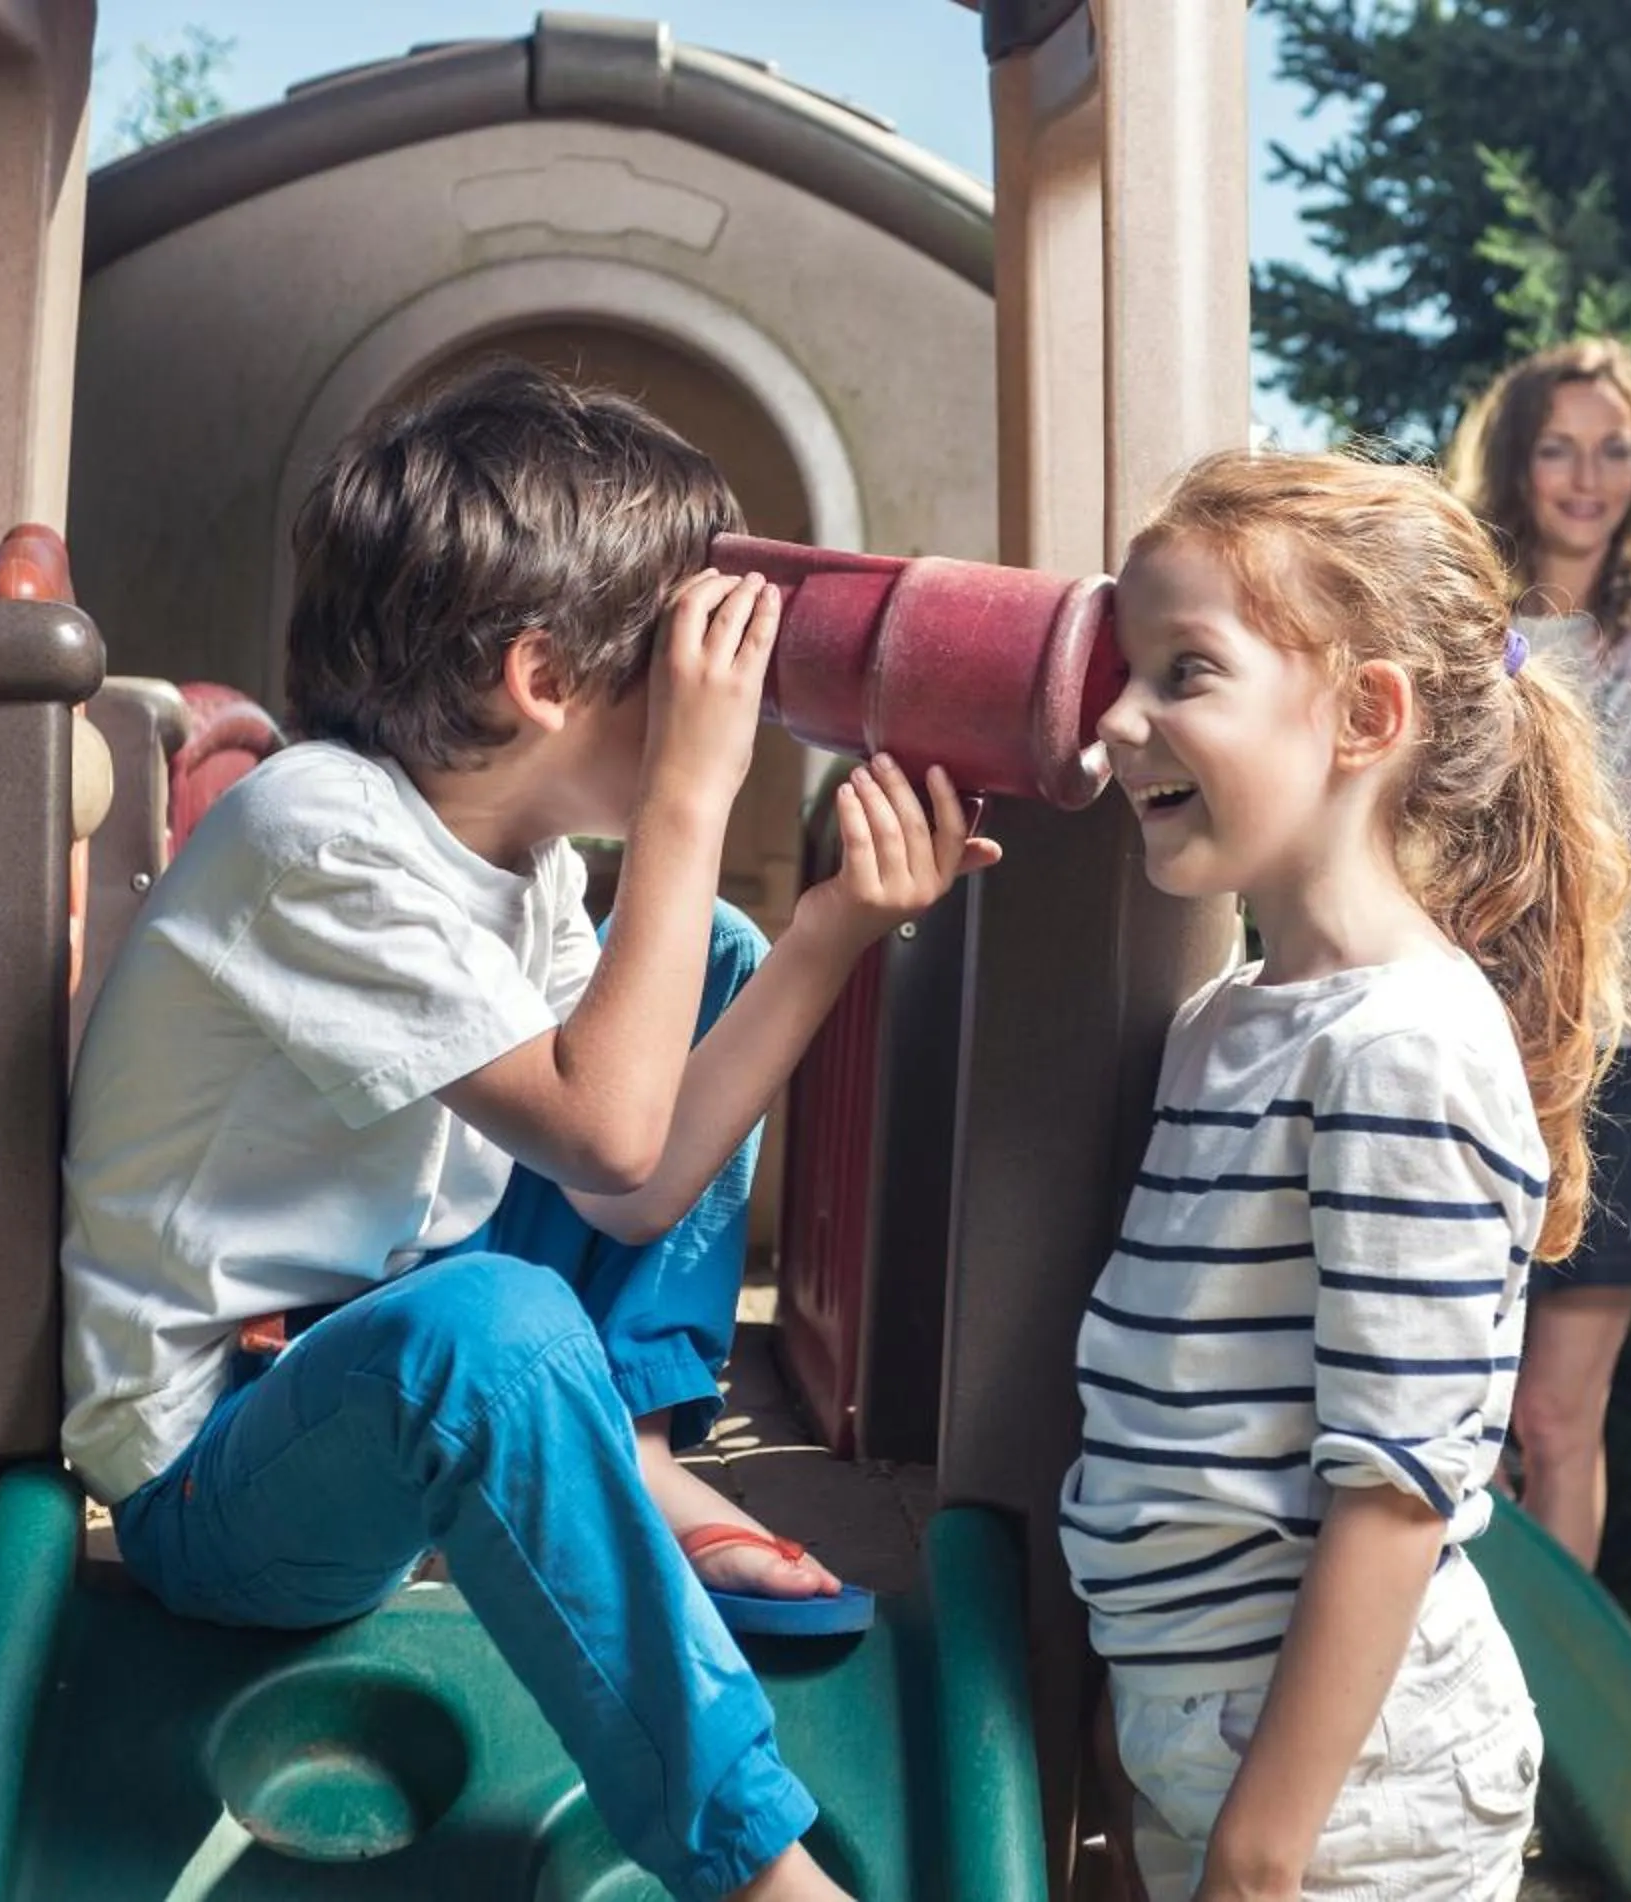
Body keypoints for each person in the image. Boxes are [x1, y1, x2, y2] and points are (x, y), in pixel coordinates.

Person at [57, 360, 999, 1902]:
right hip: (227, 1476)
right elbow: (615, 1140)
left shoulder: (520, 857)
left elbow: (633, 1194)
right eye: (689, 668)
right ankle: (757, 1867)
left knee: (713, 966)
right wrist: (693, 799)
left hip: (383, 1340)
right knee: (492, 1321)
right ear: (544, 680)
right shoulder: (313, 833)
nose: (727, 710)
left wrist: (835, 927)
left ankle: (624, 1452)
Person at [1061, 449, 1631, 1901]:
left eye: (1186, 670)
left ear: (1367, 713)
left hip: (1352, 1795)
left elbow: (1394, 1489)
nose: (1122, 721)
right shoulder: (1221, 1024)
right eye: (1127, 669)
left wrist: (1260, 1851)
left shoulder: (1401, 1051)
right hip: (1215, 1742)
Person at [1446, 336, 1631, 1571]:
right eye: (1559, 448)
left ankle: (1551, 1730)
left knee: (1559, 1418)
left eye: (1613, 451)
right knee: (1464, 1409)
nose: (1587, 477)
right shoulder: (1466, 626)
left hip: (1615, 1053)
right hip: (1469, 1035)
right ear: (1516, 461)